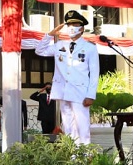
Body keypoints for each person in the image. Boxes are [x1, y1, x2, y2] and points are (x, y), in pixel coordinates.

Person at [35, 10, 99, 144]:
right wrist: (50, 35)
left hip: (80, 92)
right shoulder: (60, 45)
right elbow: (39, 50)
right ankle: (72, 153)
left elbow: (94, 73)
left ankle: (85, 153)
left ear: (82, 28)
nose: (71, 28)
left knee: (82, 126)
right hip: (63, 91)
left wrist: (91, 95)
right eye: (69, 25)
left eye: (75, 25)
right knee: (68, 126)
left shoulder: (90, 48)